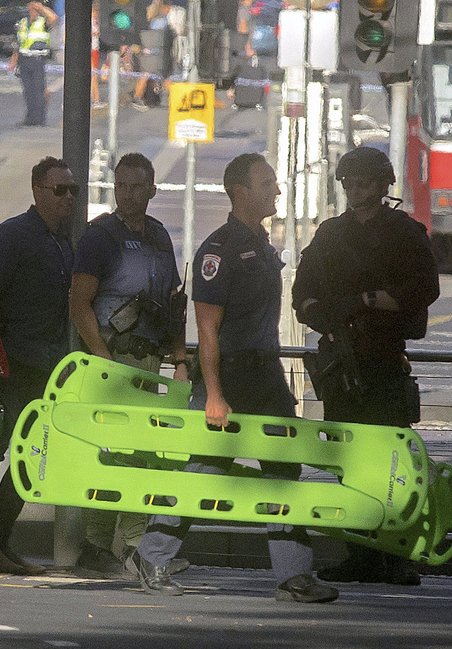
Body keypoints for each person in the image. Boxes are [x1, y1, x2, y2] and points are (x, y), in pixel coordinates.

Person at [132, 153, 339, 605]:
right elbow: (206, 329)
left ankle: (294, 575)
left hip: (265, 375)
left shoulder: (261, 245)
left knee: (284, 470)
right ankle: (151, 554)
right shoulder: (218, 251)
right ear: (240, 192)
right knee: (204, 470)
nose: (277, 192)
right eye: (267, 185)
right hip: (228, 377)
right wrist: (215, 395)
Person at [292, 146, 440, 586]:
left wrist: (367, 301)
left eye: (364, 182)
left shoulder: (404, 233)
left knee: (394, 466)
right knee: (351, 466)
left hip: (384, 360)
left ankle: (395, 555)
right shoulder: (330, 235)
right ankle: (358, 551)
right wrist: (336, 314)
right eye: (349, 182)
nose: (355, 190)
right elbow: (304, 298)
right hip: (342, 362)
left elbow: (422, 289)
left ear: (383, 185)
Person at [70, 152, 188, 577]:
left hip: (149, 361)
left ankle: (116, 545)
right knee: (119, 453)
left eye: (136, 186)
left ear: (152, 190)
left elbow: (175, 303)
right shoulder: (100, 235)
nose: (128, 194)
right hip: (114, 361)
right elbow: (79, 302)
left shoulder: (158, 236)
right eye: (121, 186)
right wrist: (100, 354)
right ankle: (115, 545)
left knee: (144, 453)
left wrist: (180, 358)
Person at [0, 156, 77, 575]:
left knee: (32, 459)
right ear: (37, 191)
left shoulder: (63, 241)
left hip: (48, 371)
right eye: (60, 190)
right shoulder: (13, 237)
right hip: (10, 366)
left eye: (73, 190)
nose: (68, 198)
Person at [10, 1, 57, 127]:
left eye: (35, 8)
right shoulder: (23, 22)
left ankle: (39, 119)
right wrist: (14, 59)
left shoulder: (43, 22)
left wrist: (41, 7)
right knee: (28, 91)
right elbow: (18, 42)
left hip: (37, 60)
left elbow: (54, 18)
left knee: (38, 90)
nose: (33, 10)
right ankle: (30, 118)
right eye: (31, 7)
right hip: (24, 60)